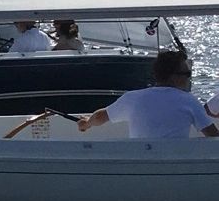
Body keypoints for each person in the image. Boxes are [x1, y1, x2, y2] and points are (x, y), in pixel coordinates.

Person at [79, 50, 219, 138]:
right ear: (174, 77)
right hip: (174, 169)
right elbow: (213, 136)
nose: (189, 77)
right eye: (187, 74)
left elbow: (99, 116)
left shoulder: (132, 98)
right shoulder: (189, 101)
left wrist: (87, 123)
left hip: (140, 166)